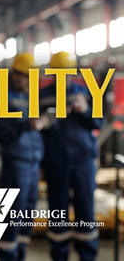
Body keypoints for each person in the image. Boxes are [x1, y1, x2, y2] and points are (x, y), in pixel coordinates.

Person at [40, 52, 101, 261]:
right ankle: (59, 255)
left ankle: (87, 255)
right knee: (57, 212)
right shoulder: (42, 96)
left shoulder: (86, 92)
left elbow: (98, 122)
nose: (62, 77)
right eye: (58, 73)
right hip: (56, 162)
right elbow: (36, 131)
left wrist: (85, 110)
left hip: (83, 161)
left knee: (86, 210)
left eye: (66, 73)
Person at [0, 53, 48, 261]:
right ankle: (7, 255)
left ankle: (20, 255)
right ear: (15, 75)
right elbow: (1, 133)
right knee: (11, 213)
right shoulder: (4, 99)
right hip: (15, 164)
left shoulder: (33, 99)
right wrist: (27, 125)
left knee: (27, 212)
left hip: (33, 164)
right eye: (25, 76)